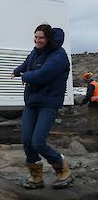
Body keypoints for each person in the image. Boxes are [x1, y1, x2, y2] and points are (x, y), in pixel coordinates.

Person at [11, 23, 73, 189]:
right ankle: (36, 176)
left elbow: (43, 75)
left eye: (41, 38)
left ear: (48, 39)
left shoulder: (59, 55)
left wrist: (26, 77)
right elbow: (27, 64)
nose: (37, 40)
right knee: (26, 141)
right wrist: (17, 71)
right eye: (36, 37)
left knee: (38, 141)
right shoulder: (36, 51)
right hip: (32, 102)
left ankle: (62, 169)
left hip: (48, 103)